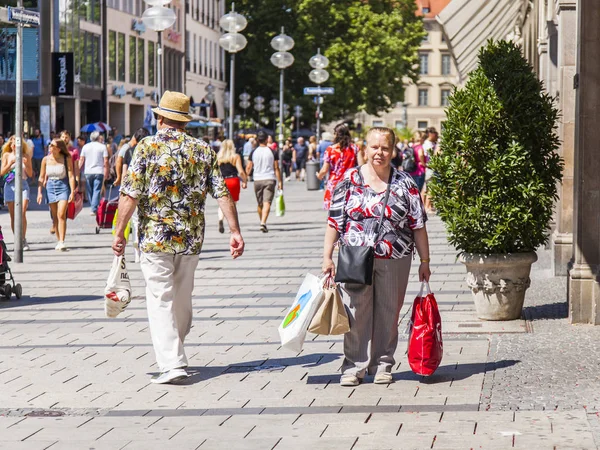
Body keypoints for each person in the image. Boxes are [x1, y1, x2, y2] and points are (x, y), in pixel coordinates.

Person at [112, 90, 245, 384]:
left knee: (161, 298)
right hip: (191, 238)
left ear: (159, 118)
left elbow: (130, 193)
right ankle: (177, 350)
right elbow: (221, 192)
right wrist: (235, 231)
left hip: (155, 237)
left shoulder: (146, 147)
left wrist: (119, 230)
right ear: (184, 120)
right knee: (183, 298)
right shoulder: (202, 150)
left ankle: (172, 363)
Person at [322, 126, 430, 387]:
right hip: (355, 258)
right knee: (358, 311)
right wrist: (326, 258)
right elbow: (334, 222)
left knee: (389, 312)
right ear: (365, 148)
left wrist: (425, 261)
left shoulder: (405, 183)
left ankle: (382, 364)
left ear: (393, 150)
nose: (379, 153)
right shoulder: (348, 180)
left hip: (396, 258)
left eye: (384, 148)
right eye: (374, 147)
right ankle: (353, 366)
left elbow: (418, 224)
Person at [37, 139, 76, 251]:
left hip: (63, 186)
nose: (50, 146)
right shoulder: (45, 160)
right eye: (50, 144)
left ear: (59, 148)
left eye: (52, 145)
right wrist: (39, 192)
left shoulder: (66, 158)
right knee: (55, 217)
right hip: (50, 187)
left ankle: (62, 241)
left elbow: (71, 175)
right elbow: (41, 176)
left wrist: (72, 191)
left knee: (61, 214)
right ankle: (58, 240)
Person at [245, 130, 283, 233]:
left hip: (257, 179)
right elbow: (276, 168)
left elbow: (249, 167)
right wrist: (280, 182)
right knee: (267, 202)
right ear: (267, 139)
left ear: (257, 140)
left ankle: (262, 221)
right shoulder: (272, 151)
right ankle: (263, 222)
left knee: (260, 203)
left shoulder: (253, 152)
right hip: (269, 179)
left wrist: (244, 181)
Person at [1, 136, 33, 250]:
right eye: (12, 144)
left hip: (23, 185)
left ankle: (23, 239)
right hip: (10, 186)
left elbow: (30, 174)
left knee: (22, 212)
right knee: (13, 215)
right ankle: (17, 239)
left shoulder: (26, 156)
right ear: (10, 145)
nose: (14, 146)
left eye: (16, 144)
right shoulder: (6, 155)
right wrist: (10, 164)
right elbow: (1, 173)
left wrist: (27, 164)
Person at [317, 123, 358, 210]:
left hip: (334, 184)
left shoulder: (330, 150)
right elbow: (362, 166)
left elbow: (324, 169)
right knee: (349, 211)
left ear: (336, 134)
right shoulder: (355, 148)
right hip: (350, 183)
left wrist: (319, 175)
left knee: (333, 215)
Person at [217, 139, 247, 233]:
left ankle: (221, 219)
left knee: (222, 202)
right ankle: (232, 226)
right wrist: (245, 180)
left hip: (223, 181)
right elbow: (241, 171)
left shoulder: (218, 157)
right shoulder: (235, 157)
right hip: (233, 180)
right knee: (233, 204)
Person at [79, 131, 109, 215]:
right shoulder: (102, 147)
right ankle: (94, 207)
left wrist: (77, 170)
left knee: (90, 190)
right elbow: (106, 161)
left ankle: (93, 206)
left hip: (88, 171)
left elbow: (81, 160)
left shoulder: (85, 147)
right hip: (99, 171)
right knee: (97, 190)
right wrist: (106, 171)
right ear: (98, 138)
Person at [422, 128, 439, 212]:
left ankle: (427, 205)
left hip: (431, 168)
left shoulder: (432, 143)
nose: (436, 136)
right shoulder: (427, 144)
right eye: (435, 134)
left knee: (428, 188)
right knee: (429, 187)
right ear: (430, 134)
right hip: (429, 168)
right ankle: (427, 206)